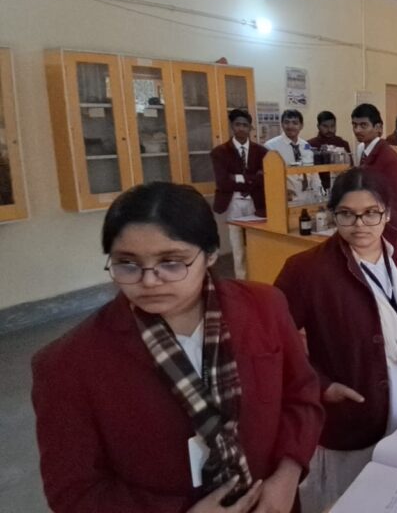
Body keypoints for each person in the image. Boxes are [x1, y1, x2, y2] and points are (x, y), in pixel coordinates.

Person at [32, 182, 323, 513]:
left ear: (210, 254)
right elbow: (74, 493)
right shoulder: (68, 364)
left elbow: (302, 396)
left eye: (171, 261)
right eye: (127, 263)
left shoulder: (263, 307)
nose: (149, 281)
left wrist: (286, 477)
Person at [275, 169, 397, 510]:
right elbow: (275, 340)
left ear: (387, 213)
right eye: (346, 214)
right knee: (356, 495)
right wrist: (321, 384)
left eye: (371, 213)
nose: (359, 224)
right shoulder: (307, 269)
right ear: (333, 213)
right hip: (358, 397)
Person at [211, 109, 267, 279]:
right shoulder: (220, 152)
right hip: (233, 201)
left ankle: (257, 278)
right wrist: (252, 178)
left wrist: (238, 177)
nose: (241, 128)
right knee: (237, 246)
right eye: (237, 125)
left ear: (250, 128)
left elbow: (264, 179)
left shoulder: (261, 151)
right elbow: (223, 183)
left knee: (255, 242)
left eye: (245, 125)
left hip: (255, 201)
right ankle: (241, 281)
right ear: (232, 127)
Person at [352, 103, 397, 228]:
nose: (357, 130)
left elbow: (394, 200)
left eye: (363, 125)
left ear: (378, 127)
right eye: (354, 125)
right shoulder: (364, 150)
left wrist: (388, 228)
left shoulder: (388, 157)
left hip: (381, 224)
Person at [264, 109, 323, 203]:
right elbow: (269, 177)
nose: (290, 126)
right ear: (282, 124)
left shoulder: (306, 145)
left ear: (301, 126)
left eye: (295, 123)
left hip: (309, 198)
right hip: (286, 199)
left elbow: (313, 172)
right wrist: (282, 191)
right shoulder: (271, 146)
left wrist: (320, 196)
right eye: (287, 122)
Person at [308, 110, 353, 190]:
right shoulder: (310, 145)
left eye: (333, 126)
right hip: (317, 188)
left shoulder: (343, 143)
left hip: (341, 187)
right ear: (318, 126)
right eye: (325, 126)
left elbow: (350, 168)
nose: (329, 130)